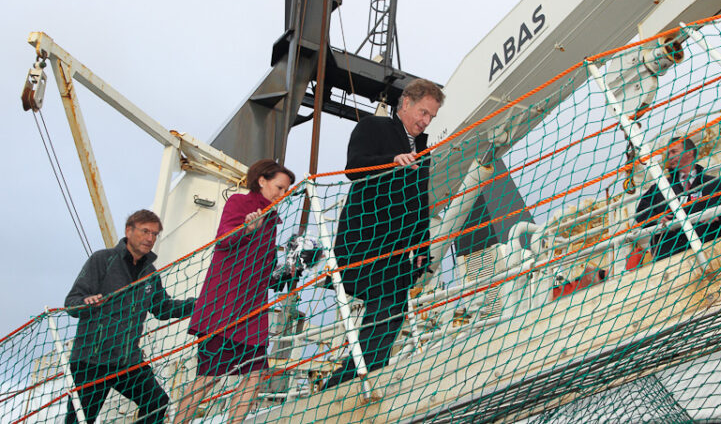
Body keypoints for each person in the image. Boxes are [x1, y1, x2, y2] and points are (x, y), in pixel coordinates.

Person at [323, 78, 445, 389]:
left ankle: (353, 381)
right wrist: (391, 161)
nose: (425, 120)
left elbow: (421, 203)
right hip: (366, 240)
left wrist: (422, 247)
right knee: (388, 307)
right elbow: (354, 168)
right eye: (422, 112)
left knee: (392, 311)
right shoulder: (372, 128)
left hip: (399, 249)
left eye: (431, 116)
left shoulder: (423, 151)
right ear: (405, 103)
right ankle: (349, 382)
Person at [175, 159, 294, 423]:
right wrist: (247, 229)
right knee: (208, 378)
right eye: (279, 187)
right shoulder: (239, 204)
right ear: (261, 180)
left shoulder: (272, 219)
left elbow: (263, 270)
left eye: (286, 190)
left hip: (252, 311)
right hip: (224, 308)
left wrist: (287, 271)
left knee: (256, 373)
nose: (282, 194)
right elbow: (223, 239)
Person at [64, 210, 195, 424]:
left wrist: (199, 304)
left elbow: (163, 309)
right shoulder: (102, 260)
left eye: (154, 234)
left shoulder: (150, 274)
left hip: (127, 360)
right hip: (91, 360)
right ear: (128, 230)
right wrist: (87, 303)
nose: (150, 238)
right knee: (79, 420)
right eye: (145, 231)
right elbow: (72, 303)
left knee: (157, 402)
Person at [635, 136, 721, 261]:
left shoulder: (715, 184)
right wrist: (656, 219)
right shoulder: (659, 189)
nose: (669, 156)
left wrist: (719, 216)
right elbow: (640, 214)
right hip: (670, 258)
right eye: (668, 153)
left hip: (711, 252)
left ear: (689, 152)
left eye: (674, 151)